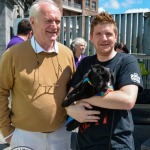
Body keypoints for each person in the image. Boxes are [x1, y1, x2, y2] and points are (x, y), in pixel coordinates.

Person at [0, 0, 75, 150]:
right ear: (33, 22)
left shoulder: (67, 53)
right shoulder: (13, 54)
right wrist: (6, 131)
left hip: (61, 134)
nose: (54, 26)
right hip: (25, 137)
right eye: (48, 20)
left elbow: (73, 90)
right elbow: (1, 91)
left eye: (57, 21)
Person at [66, 12, 143, 150]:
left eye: (108, 34)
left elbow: (127, 100)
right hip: (84, 143)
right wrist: (70, 108)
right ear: (91, 37)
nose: (104, 38)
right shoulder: (85, 63)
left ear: (116, 36)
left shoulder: (126, 61)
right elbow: (70, 96)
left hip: (117, 144)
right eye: (98, 34)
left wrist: (83, 97)